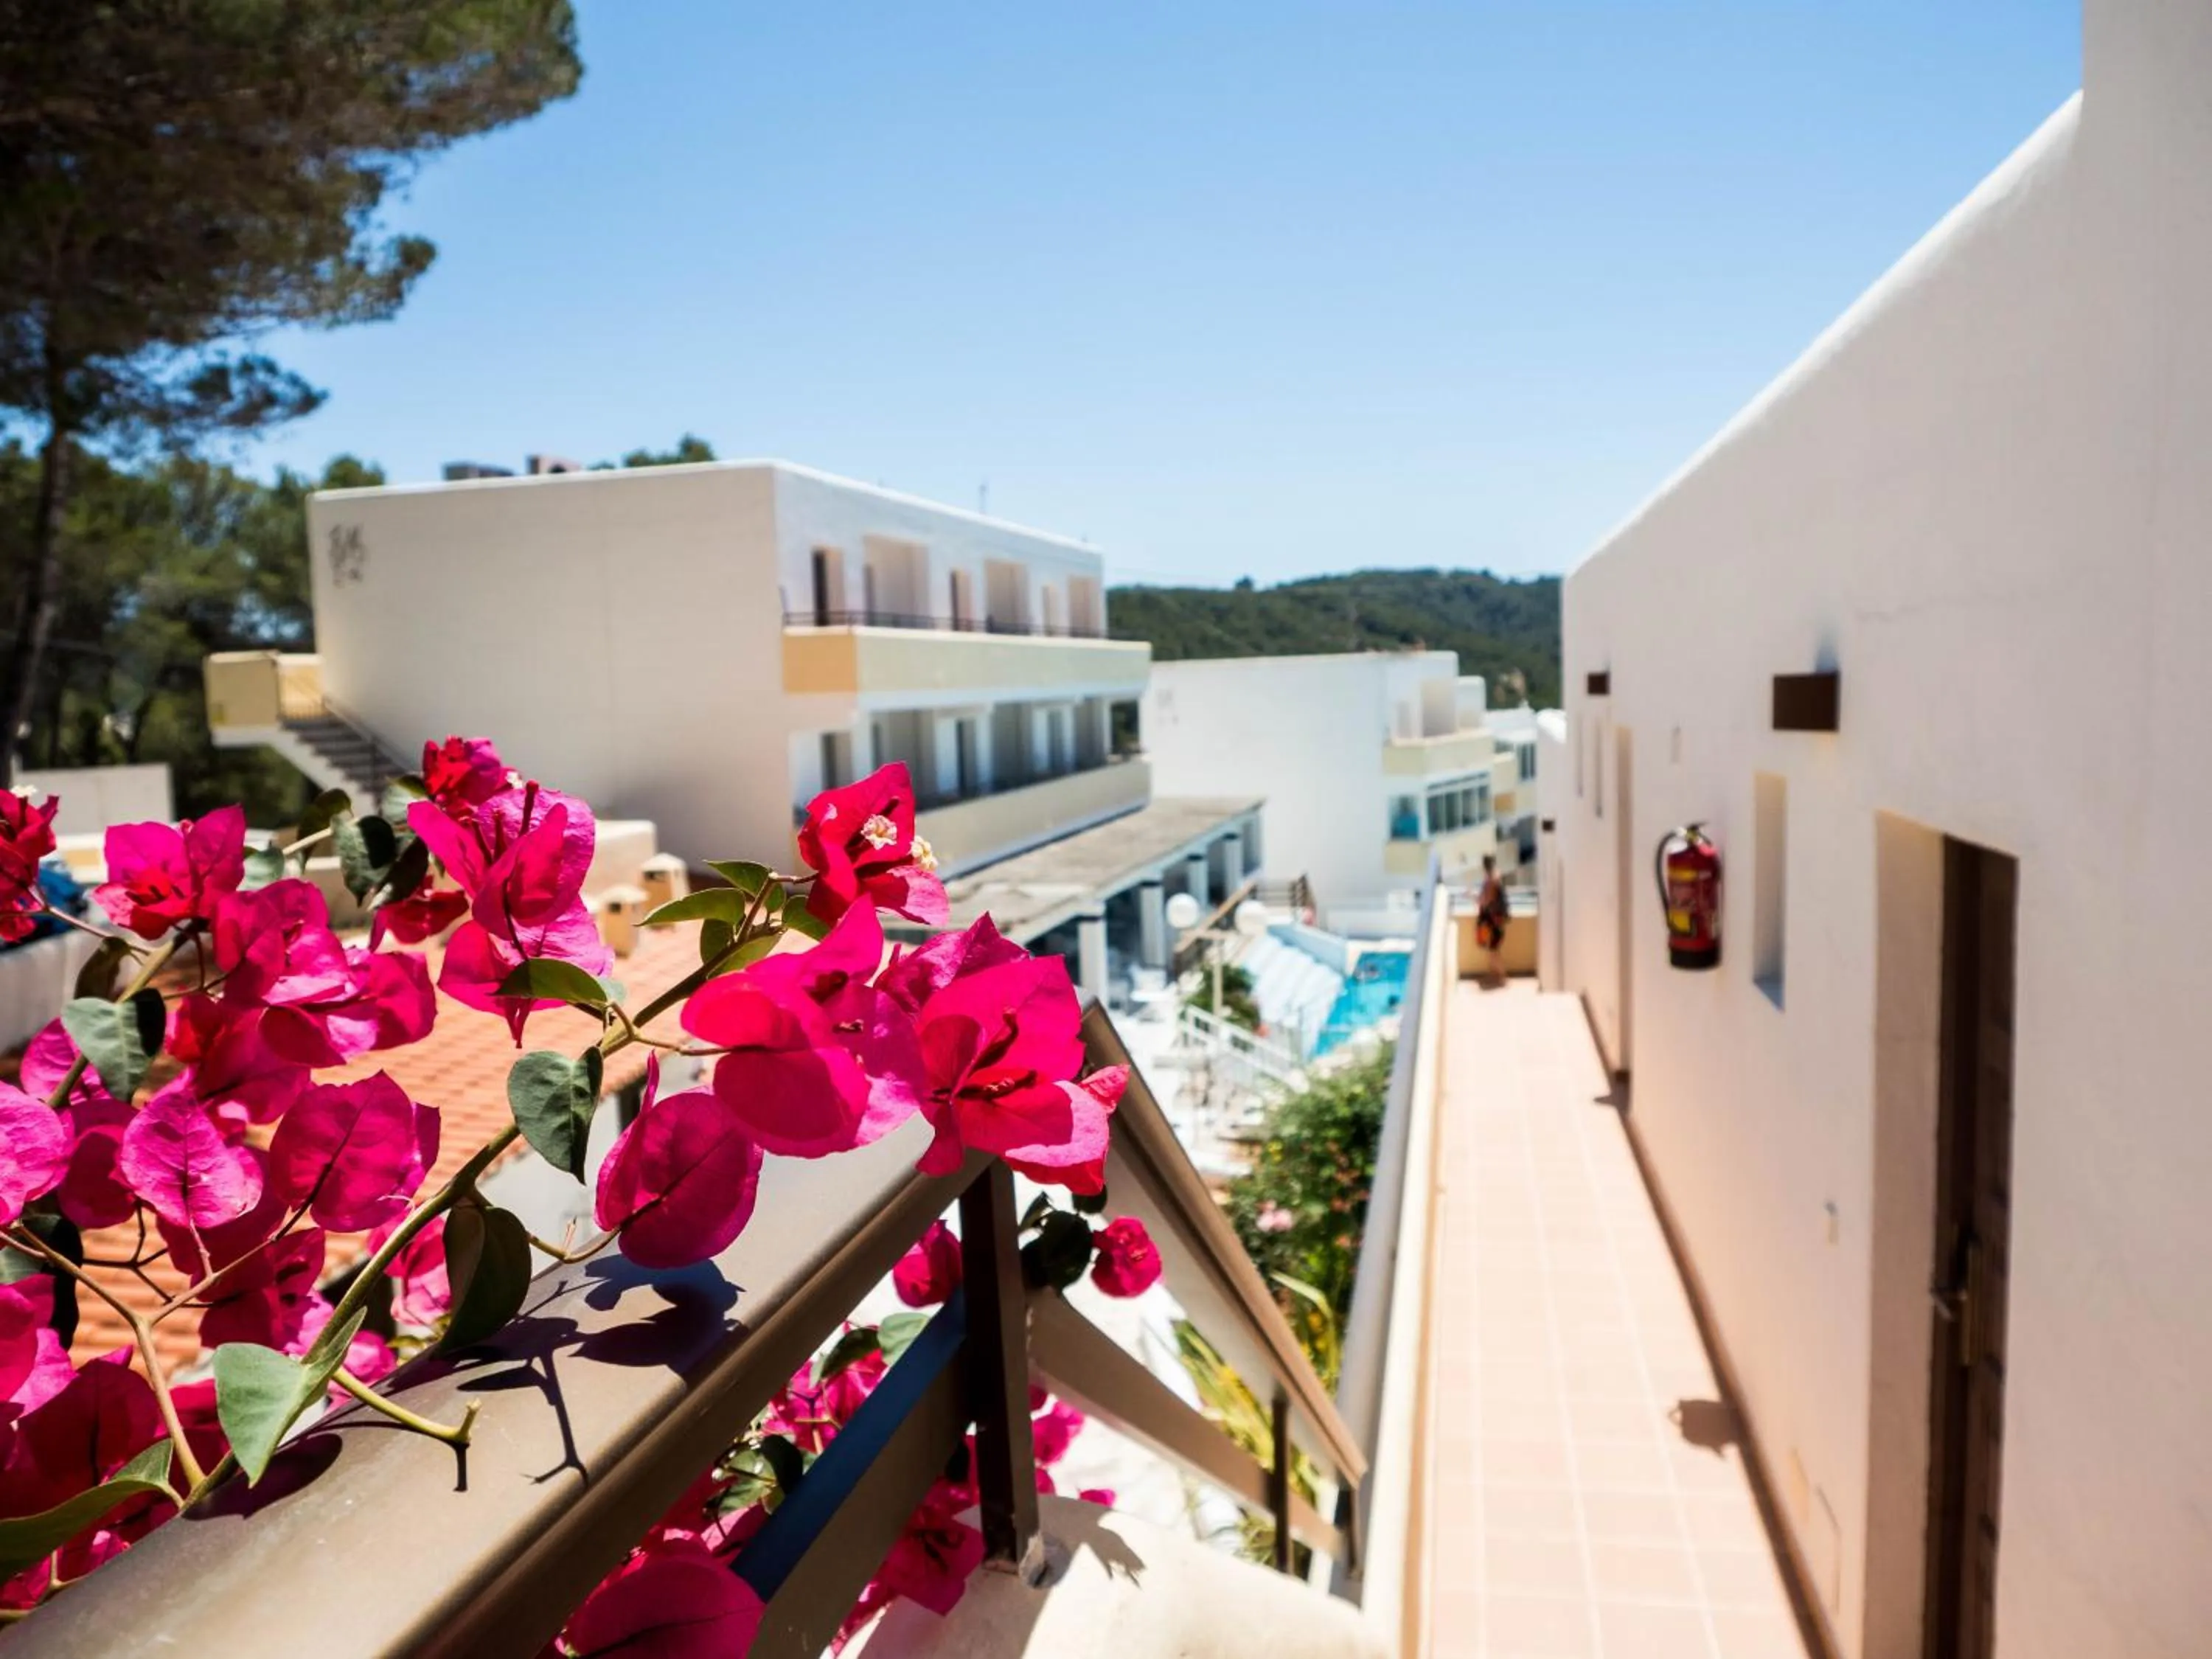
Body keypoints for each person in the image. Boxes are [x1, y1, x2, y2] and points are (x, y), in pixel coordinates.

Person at [1474, 855, 1509, 984]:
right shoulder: (1496, 878)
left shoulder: (1490, 880)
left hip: (1493, 918)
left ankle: (1501, 976)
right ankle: (1496, 974)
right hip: (1497, 918)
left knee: (1494, 949)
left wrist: (1476, 899)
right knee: (1493, 948)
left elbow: (1486, 900)